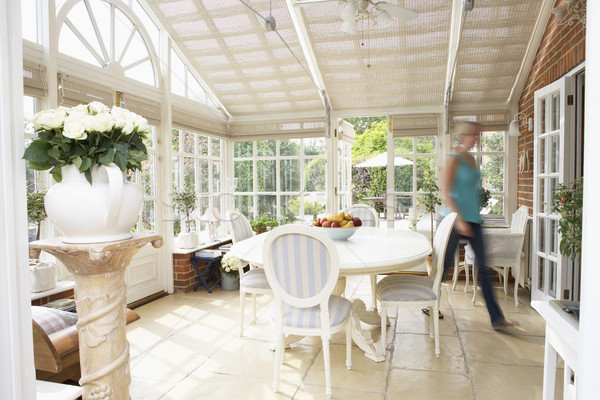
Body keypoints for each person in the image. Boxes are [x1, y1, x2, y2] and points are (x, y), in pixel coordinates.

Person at [441, 122, 517, 330]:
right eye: (474, 135)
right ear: (463, 135)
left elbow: (471, 191)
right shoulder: (453, 158)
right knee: (442, 267)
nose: (477, 138)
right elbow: (447, 192)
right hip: (453, 220)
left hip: (473, 219)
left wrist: (475, 215)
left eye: (478, 135)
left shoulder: (471, 159)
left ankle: (497, 319)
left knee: (483, 267)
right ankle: (429, 304)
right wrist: (459, 219)